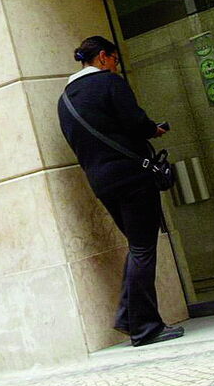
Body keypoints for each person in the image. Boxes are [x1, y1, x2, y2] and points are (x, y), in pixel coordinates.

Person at [57, 35, 184, 347]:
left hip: (101, 181)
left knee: (137, 246)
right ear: (103, 57)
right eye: (114, 59)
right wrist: (154, 129)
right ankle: (145, 328)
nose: (115, 66)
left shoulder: (65, 100)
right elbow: (136, 123)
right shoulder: (110, 83)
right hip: (132, 176)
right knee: (143, 248)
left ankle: (129, 318)